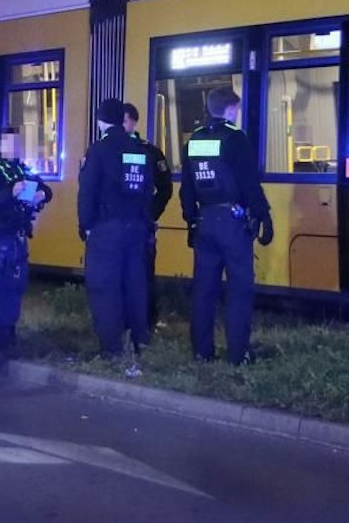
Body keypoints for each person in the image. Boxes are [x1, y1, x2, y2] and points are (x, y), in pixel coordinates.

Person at [179, 86, 271, 365]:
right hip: (232, 224)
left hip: (204, 221)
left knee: (204, 291)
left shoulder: (193, 142)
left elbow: (187, 189)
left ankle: (201, 351)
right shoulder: (236, 139)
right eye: (237, 109)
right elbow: (249, 184)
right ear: (230, 109)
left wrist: (191, 219)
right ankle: (238, 354)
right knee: (239, 289)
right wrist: (263, 215)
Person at [78, 97, 157, 369]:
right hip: (135, 228)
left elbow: (87, 192)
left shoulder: (99, 150)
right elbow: (148, 191)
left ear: (101, 120)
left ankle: (111, 348)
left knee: (105, 288)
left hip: (106, 229)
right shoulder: (139, 149)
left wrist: (85, 226)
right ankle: (139, 340)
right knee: (135, 285)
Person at [0, 130, 52, 375]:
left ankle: (9, 336)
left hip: (16, 237)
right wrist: (12, 192)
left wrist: (42, 194)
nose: (15, 148)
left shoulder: (20, 169)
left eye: (18, 143)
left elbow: (45, 189)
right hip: (0, 237)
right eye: (11, 143)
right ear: (0, 144)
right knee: (1, 289)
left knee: (15, 287)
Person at [121, 102, 174, 329]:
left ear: (133, 122)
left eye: (123, 121)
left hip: (142, 225)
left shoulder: (150, 152)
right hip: (116, 225)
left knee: (144, 274)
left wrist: (151, 213)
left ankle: (146, 322)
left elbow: (165, 188)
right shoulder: (108, 150)